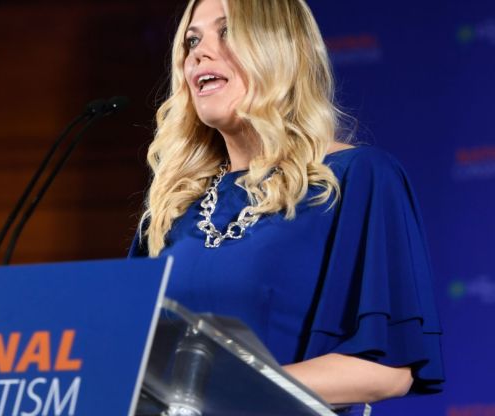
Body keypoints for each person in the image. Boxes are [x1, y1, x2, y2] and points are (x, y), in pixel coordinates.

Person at [129, 0, 444, 405]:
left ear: (278, 48)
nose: (199, 52)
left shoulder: (357, 178)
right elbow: (127, 359)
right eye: (192, 40)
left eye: (226, 32)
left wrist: (217, 389)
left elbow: (386, 368)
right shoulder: (172, 206)